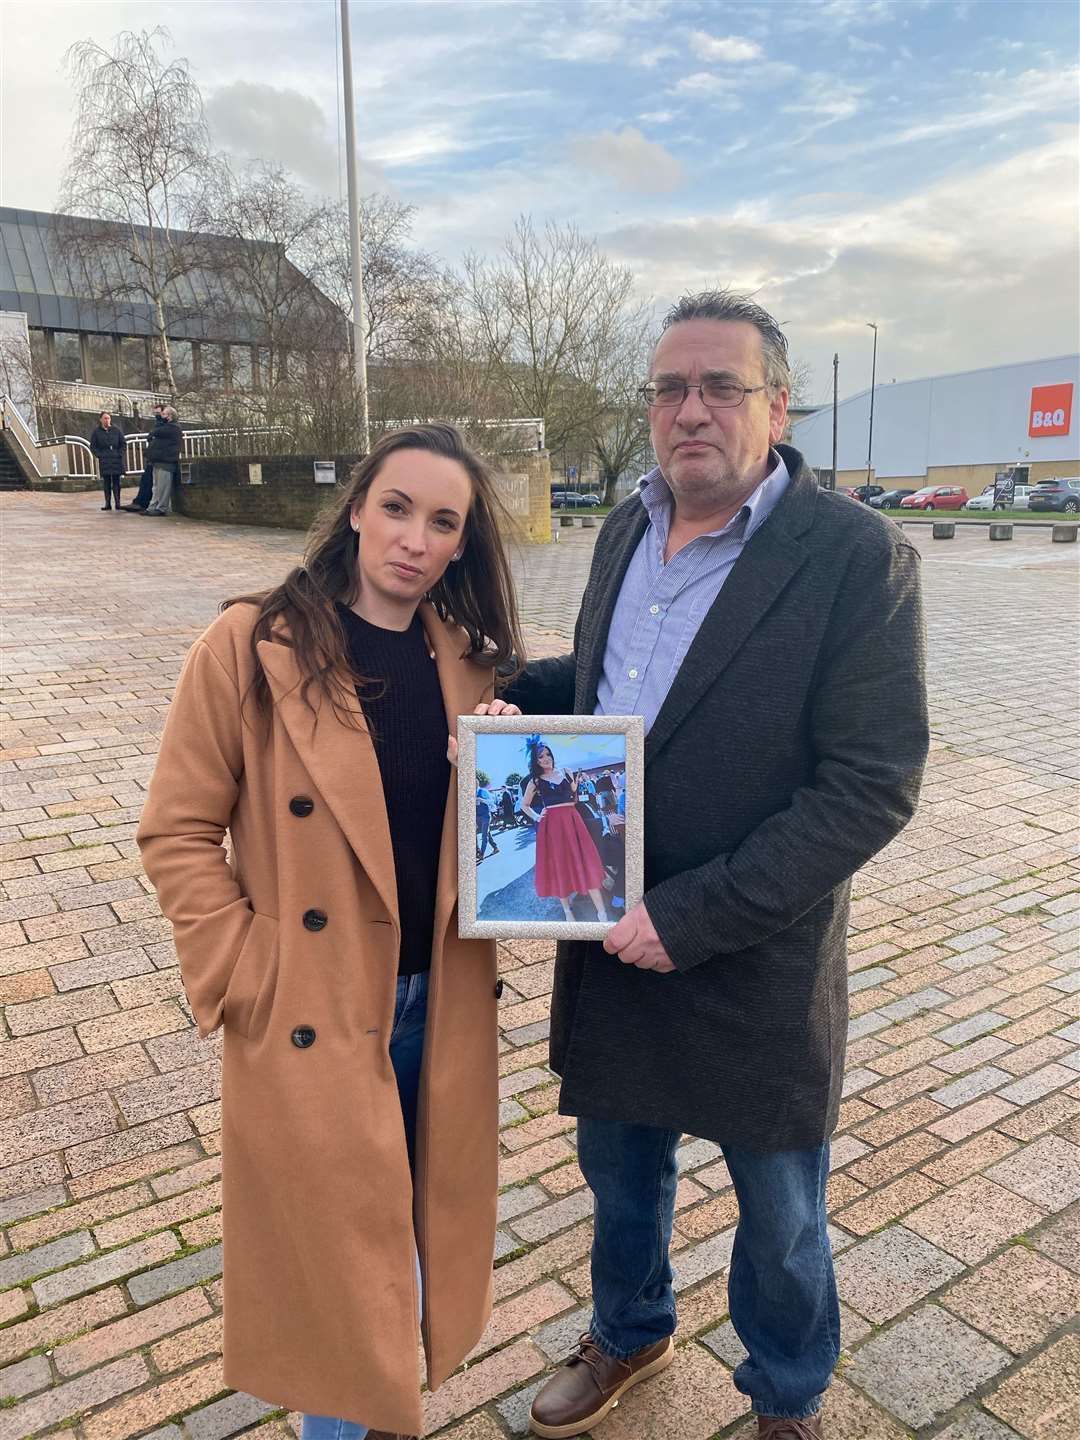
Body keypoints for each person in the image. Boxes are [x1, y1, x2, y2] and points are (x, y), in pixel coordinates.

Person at [490, 291, 928, 1440]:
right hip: (608, 930)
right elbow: (612, 687)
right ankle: (629, 1334)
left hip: (754, 954)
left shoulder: (855, 557)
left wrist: (693, 914)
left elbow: (870, 784)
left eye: (719, 386)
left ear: (776, 406)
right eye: (669, 388)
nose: (691, 410)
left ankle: (786, 1395)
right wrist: (517, 702)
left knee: (780, 1211)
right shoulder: (625, 529)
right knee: (618, 1174)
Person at [136, 423, 526, 1440]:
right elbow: (177, 828)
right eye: (397, 507)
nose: (415, 538)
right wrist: (242, 968)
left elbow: (494, 852)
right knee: (340, 1291)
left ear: (461, 543)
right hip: (311, 1008)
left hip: (436, 1011)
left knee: (409, 1256)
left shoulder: (473, 670)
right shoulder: (251, 645)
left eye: (444, 522)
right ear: (357, 508)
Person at [520, 738, 609, 923]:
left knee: (585, 860)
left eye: (548, 754)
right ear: (536, 761)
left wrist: (574, 789)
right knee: (560, 864)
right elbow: (524, 805)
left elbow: (574, 801)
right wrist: (537, 817)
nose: (546, 758)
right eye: (541, 756)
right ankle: (567, 910)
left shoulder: (567, 772)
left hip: (573, 819)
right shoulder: (535, 781)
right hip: (552, 825)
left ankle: (602, 912)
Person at [122, 401, 165, 512]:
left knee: (150, 481)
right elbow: (151, 436)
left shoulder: (165, 425)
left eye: (158, 413)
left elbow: (156, 436)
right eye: (155, 413)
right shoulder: (158, 425)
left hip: (160, 459)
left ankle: (144, 503)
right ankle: (139, 501)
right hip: (153, 458)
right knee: (145, 480)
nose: (157, 416)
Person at [143, 405, 183, 515]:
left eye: (164, 414)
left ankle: (161, 508)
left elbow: (157, 432)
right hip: (158, 460)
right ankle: (153, 506)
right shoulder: (166, 426)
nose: (161, 416)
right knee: (156, 487)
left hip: (166, 461)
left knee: (163, 487)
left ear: (170, 416)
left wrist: (158, 425)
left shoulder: (173, 427)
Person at [89, 410, 126, 510]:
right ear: (101, 419)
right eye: (105, 418)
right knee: (106, 482)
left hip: (116, 459)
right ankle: (107, 503)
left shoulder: (116, 430)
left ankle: (118, 503)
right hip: (105, 459)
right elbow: (93, 446)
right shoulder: (96, 432)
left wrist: (119, 454)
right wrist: (99, 455)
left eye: (108, 418)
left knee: (116, 482)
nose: (107, 420)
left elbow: (123, 443)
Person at [476, 783, 499, 861]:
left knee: (484, 835)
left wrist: (481, 800)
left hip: (485, 816)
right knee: (486, 833)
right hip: (477, 816)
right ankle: (495, 847)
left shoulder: (483, 791)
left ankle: (481, 854)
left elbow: (491, 801)